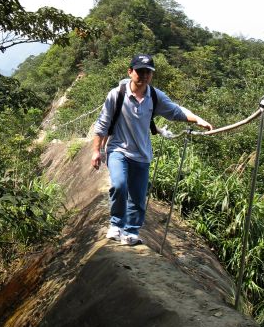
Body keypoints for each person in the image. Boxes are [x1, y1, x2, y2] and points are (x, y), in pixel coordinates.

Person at [91, 53, 213, 246]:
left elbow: (176, 111)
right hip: (118, 150)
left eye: (148, 72)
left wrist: (198, 120)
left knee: (138, 198)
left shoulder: (155, 96)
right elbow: (102, 125)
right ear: (130, 72)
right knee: (119, 186)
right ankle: (116, 224)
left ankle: (131, 231)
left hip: (142, 154)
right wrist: (96, 151)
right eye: (140, 71)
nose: (144, 75)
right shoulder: (116, 94)